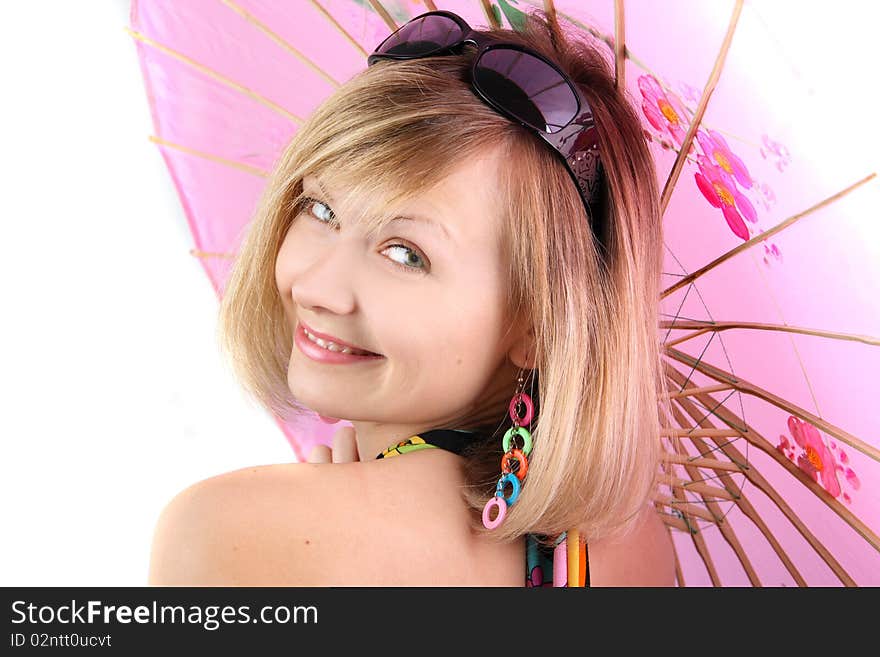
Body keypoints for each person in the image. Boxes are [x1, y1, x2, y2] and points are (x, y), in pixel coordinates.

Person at [148, 8, 676, 587]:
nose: (319, 288)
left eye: (405, 254)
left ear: (538, 326)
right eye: (321, 209)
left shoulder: (229, 532)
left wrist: (314, 524)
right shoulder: (632, 541)